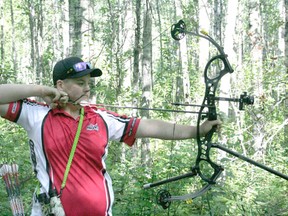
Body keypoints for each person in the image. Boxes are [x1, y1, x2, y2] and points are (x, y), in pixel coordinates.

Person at [0, 56, 221, 216]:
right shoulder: (36, 115)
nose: (88, 89)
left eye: (89, 83)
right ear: (60, 85)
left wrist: (197, 131)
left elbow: (150, 127)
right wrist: (40, 91)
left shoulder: (101, 118)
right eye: (80, 83)